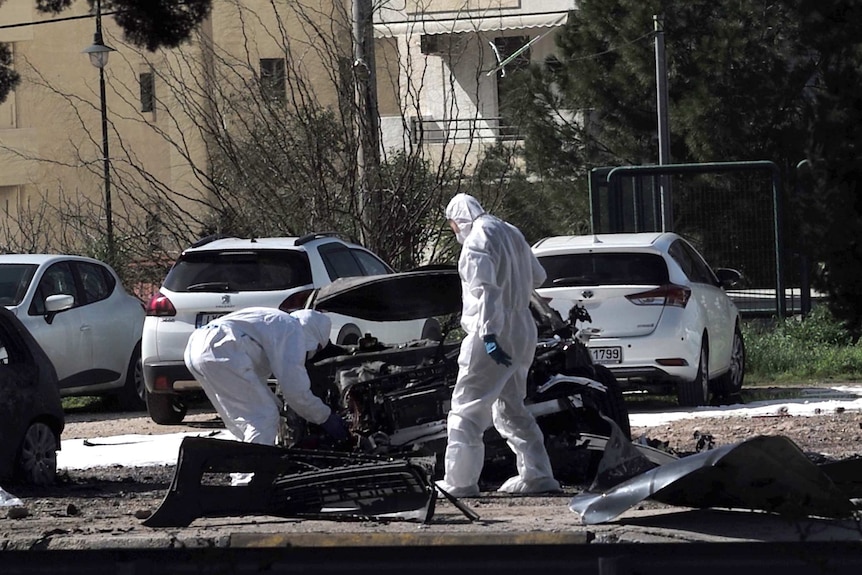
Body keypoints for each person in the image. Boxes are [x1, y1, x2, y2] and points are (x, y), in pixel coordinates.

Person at [438, 193, 561, 497]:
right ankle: (537, 475)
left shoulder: (476, 241)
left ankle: (460, 482)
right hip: (523, 328)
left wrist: (490, 336)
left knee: (467, 407)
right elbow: (539, 277)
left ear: (459, 221)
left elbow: (487, 292)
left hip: (494, 330)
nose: (455, 232)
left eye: (453, 225)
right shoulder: (511, 231)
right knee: (510, 406)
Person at [184, 307, 349, 448]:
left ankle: (243, 473)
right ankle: (252, 480)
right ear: (315, 340)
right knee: (263, 417)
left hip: (198, 347)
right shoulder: (293, 331)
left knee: (244, 421)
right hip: (222, 349)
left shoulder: (275, 324)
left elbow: (256, 383)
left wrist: (277, 405)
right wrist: (325, 417)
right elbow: (295, 393)